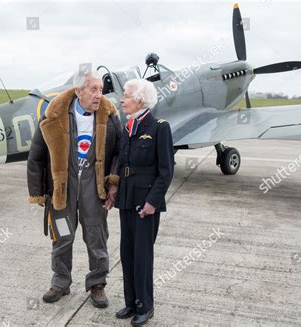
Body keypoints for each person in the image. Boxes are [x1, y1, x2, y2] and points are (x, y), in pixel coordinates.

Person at [27, 70, 122, 308]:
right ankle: (60, 282)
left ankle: (97, 284)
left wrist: (113, 183)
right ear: (79, 91)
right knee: (61, 237)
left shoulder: (109, 118)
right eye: (93, 89)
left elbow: (120, 153)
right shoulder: (55, 116)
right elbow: (36, 156)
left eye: (101, 89)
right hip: (62, 191)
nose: (99, 94)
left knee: (96, 237)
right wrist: (38, 191)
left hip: (94, 189)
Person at [115, 79, 174, 326]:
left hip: (145, 204)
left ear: (139, 100)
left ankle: (145, 306)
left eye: (126, 96)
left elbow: (166, 170)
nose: (121, 100)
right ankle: (131, 303)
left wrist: (152, 202)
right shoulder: (128, 126)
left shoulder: (159, 127)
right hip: (127, 200)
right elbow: (122, 164)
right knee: (126, 254)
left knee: (142, 256)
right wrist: (112, 191)